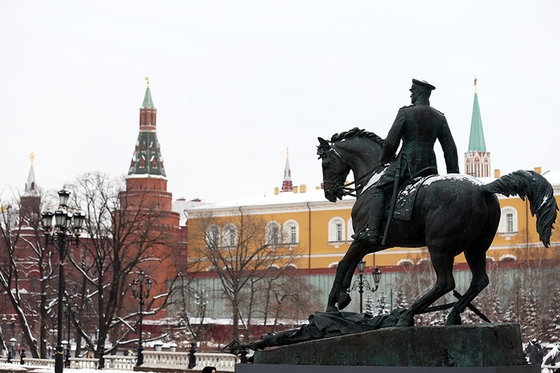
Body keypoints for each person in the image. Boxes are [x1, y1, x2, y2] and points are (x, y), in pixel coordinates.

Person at [355, 78, 459, 244]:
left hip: (406, 163)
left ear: (417, 93)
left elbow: (390, 142)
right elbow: (450, 149)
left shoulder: (406, 113)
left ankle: (372, 231)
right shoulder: (439, 117)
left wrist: (385, 159)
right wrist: (454, 175)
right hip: (429, 165)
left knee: (380, 189)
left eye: (412, 91)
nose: (410, 94)